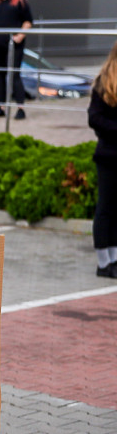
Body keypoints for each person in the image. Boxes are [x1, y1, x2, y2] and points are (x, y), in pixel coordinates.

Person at [88, 41, 117, 278]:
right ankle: (102, 262)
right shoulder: (103, 83)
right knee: (105, 208)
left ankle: (114, 259)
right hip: (108, 155)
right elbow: (94, 119)